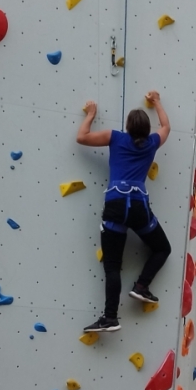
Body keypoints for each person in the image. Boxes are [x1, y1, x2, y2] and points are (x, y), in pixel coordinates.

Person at [75, 93, 173, 334]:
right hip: (139, 205)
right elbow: (166, 126)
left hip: (116, 204)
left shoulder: (115, 137)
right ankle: (141, 286)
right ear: (146, 129)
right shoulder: (152, 143)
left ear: (128, 127)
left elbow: (81, 137)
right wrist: (157, 101)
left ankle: (110, 317)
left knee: (112, 266)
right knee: (162, 248)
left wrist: (90, 114)